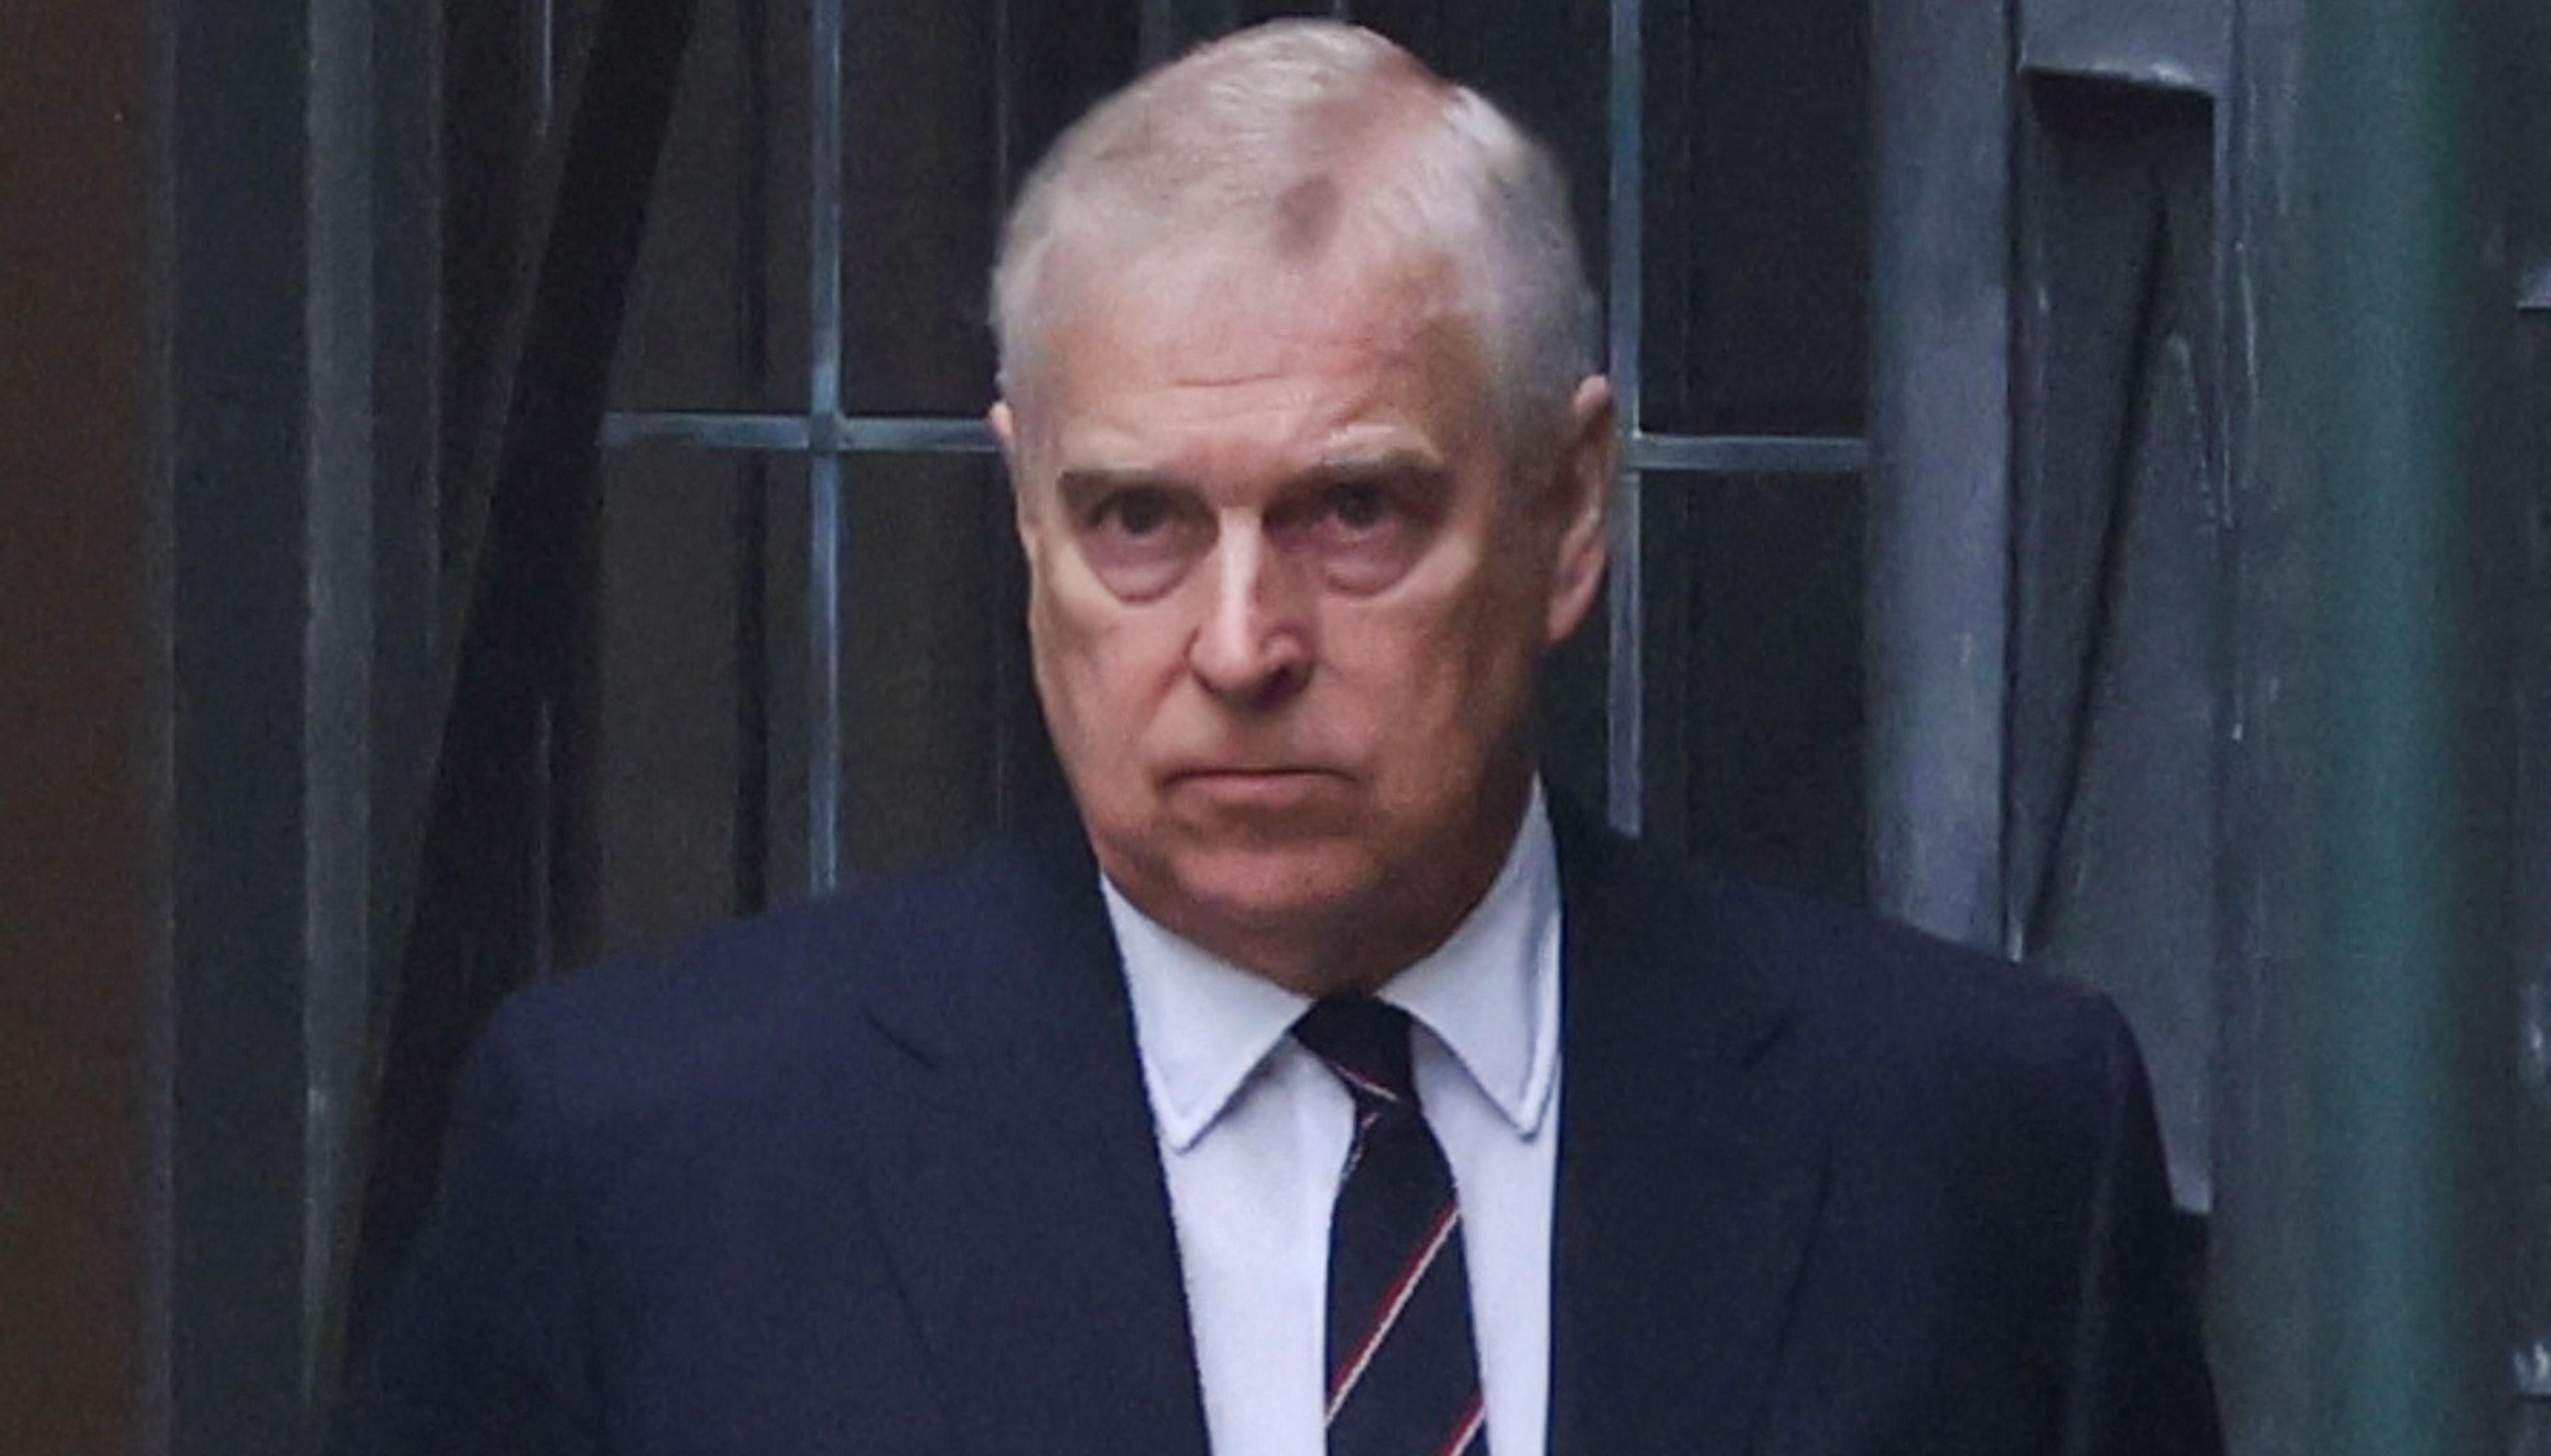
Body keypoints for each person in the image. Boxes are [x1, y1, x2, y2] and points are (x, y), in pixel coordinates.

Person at [339, 20, 2220, 1456]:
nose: (1242, 645)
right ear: (1026, 521)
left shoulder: (1975, 1148)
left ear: (1569, 511)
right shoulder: (653, 1164)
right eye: (1141, 521)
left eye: (1354, 512)